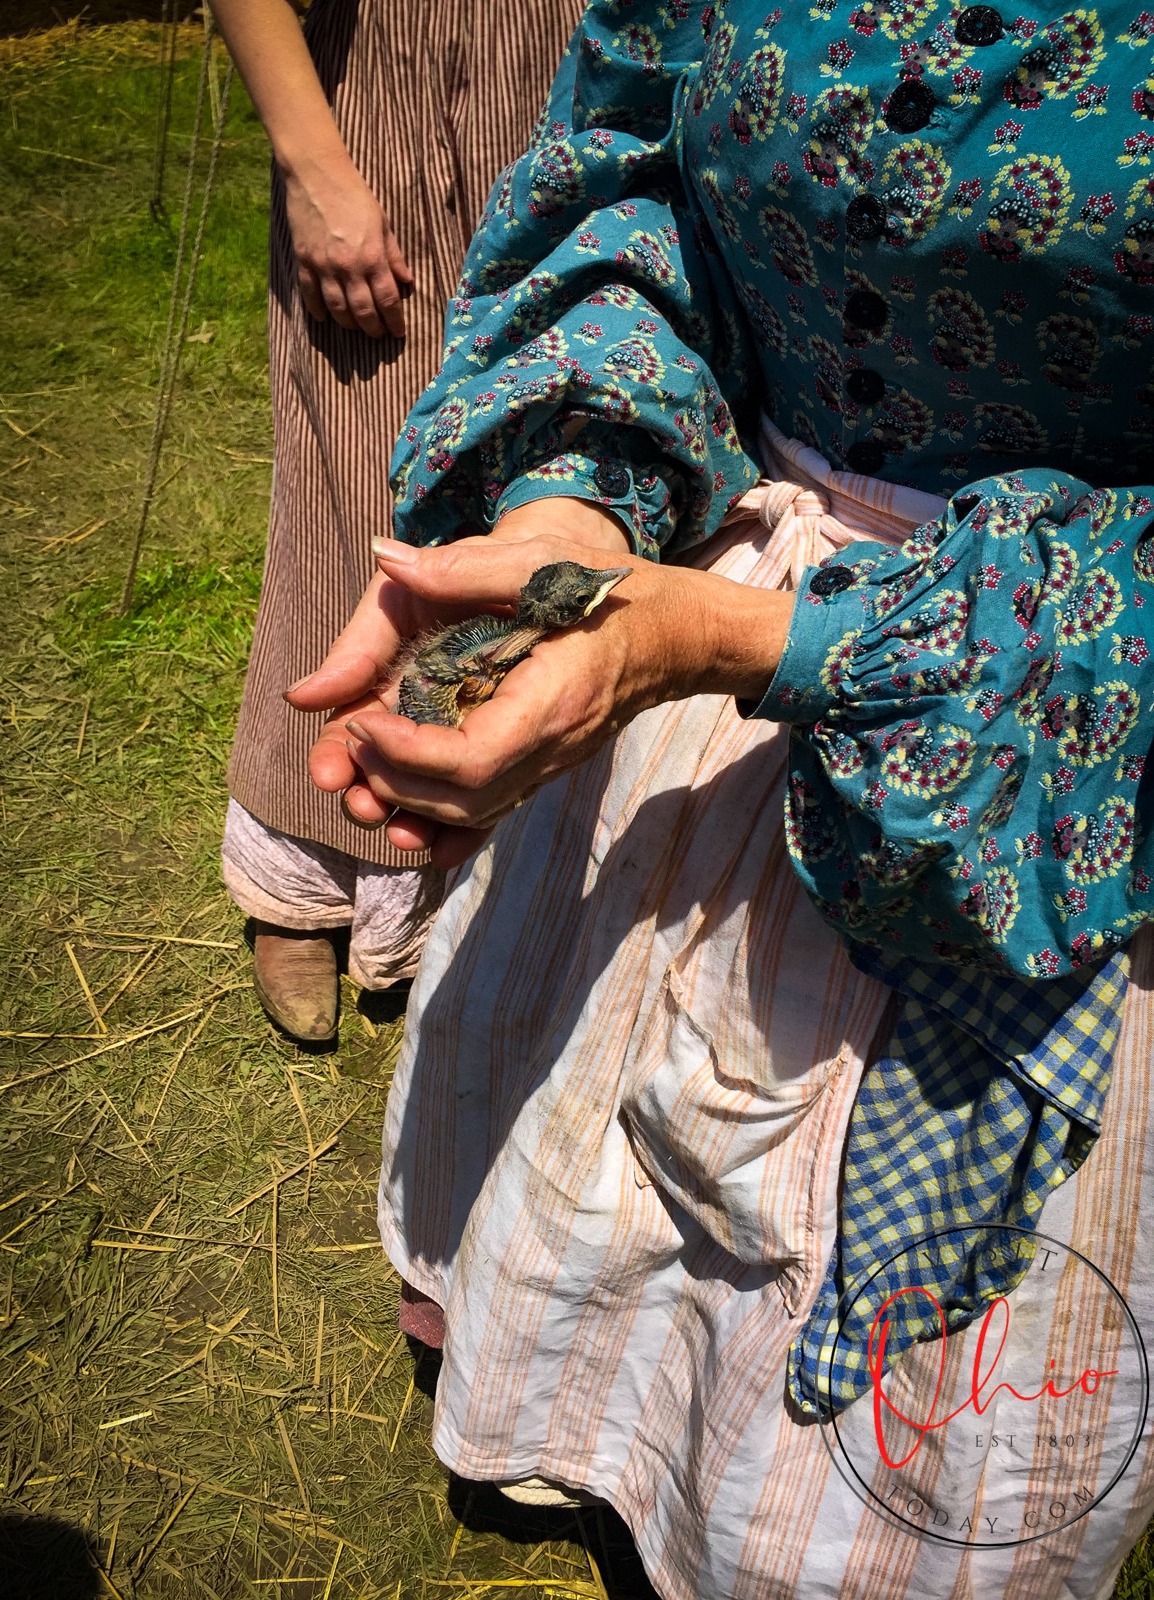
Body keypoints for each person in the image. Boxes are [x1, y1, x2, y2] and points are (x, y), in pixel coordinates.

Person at [289, 2, 1154, 1593]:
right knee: (626, 1307)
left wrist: (744, 638)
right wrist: (574, 527)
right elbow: (639, 188)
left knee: (855, 1474)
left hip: (1046, 780)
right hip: (682, 678)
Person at [209, 0, 582, 1042]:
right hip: (395, 93)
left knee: (544, 489)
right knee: (367, 482)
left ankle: (483, 879)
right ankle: (309, 864)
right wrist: (313, 166)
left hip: (584, 82)